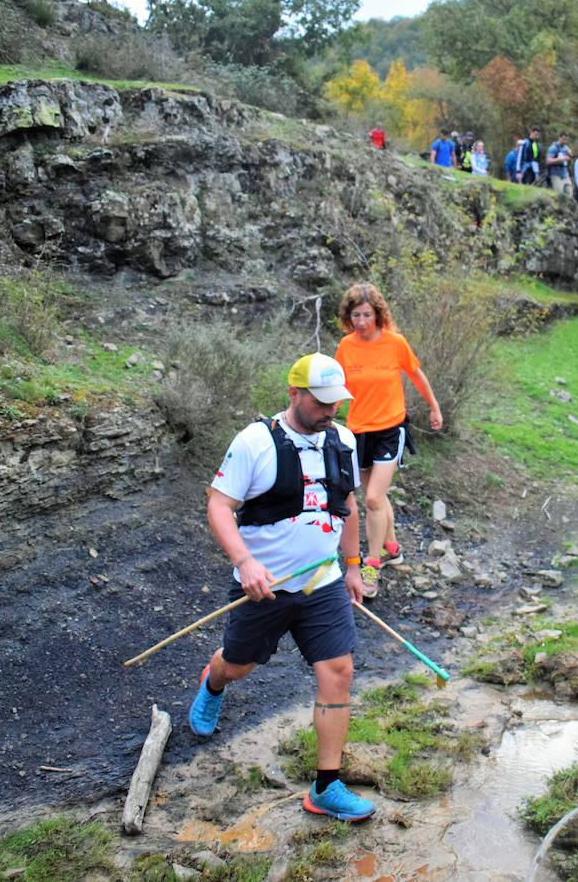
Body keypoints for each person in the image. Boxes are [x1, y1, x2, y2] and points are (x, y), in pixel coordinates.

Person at [190, 353, 375, 823]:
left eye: (337, 402)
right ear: (294, 394)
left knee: (339, 670)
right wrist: (245, 562)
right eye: (321, 401)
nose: (331, 411)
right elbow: (218, 505)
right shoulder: (255, 442)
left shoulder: (343, 440)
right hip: (265, 589)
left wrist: (352, 566)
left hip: (323, 583)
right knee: (238, 666)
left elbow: (347, 505)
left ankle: (326, 786)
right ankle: (213, 682)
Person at [334, 283, 443, 593]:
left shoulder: (395, 343)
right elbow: (337, 387)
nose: (362, 322)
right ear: (348, 316)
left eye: (367, 314)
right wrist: (326, 421)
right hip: (358, 431)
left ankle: (372, 566)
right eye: (356, 315)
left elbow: (416, 374)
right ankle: (392, 547)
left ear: (378, 315)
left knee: (370, 499)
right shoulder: (346, 346)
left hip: (389, 429)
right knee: (376, 496)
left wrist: (434, 408)